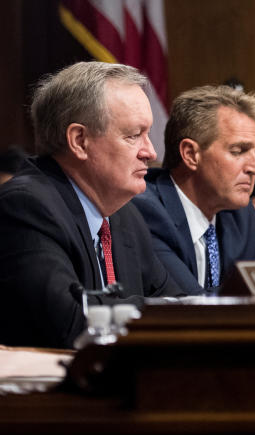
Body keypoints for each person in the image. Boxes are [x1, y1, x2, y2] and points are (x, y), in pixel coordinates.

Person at [0, 62, 181, 348]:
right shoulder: (25, 207)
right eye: (134, 135)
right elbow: (73, 322)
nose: (151, 152)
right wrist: (166, 309)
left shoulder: (125, 216)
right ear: (80, 141)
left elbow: (176, 300)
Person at [131, 85, 255, 294]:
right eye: (238, 151)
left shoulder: (240, 215)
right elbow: (191, 306)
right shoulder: (147, 212)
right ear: (190, 154)